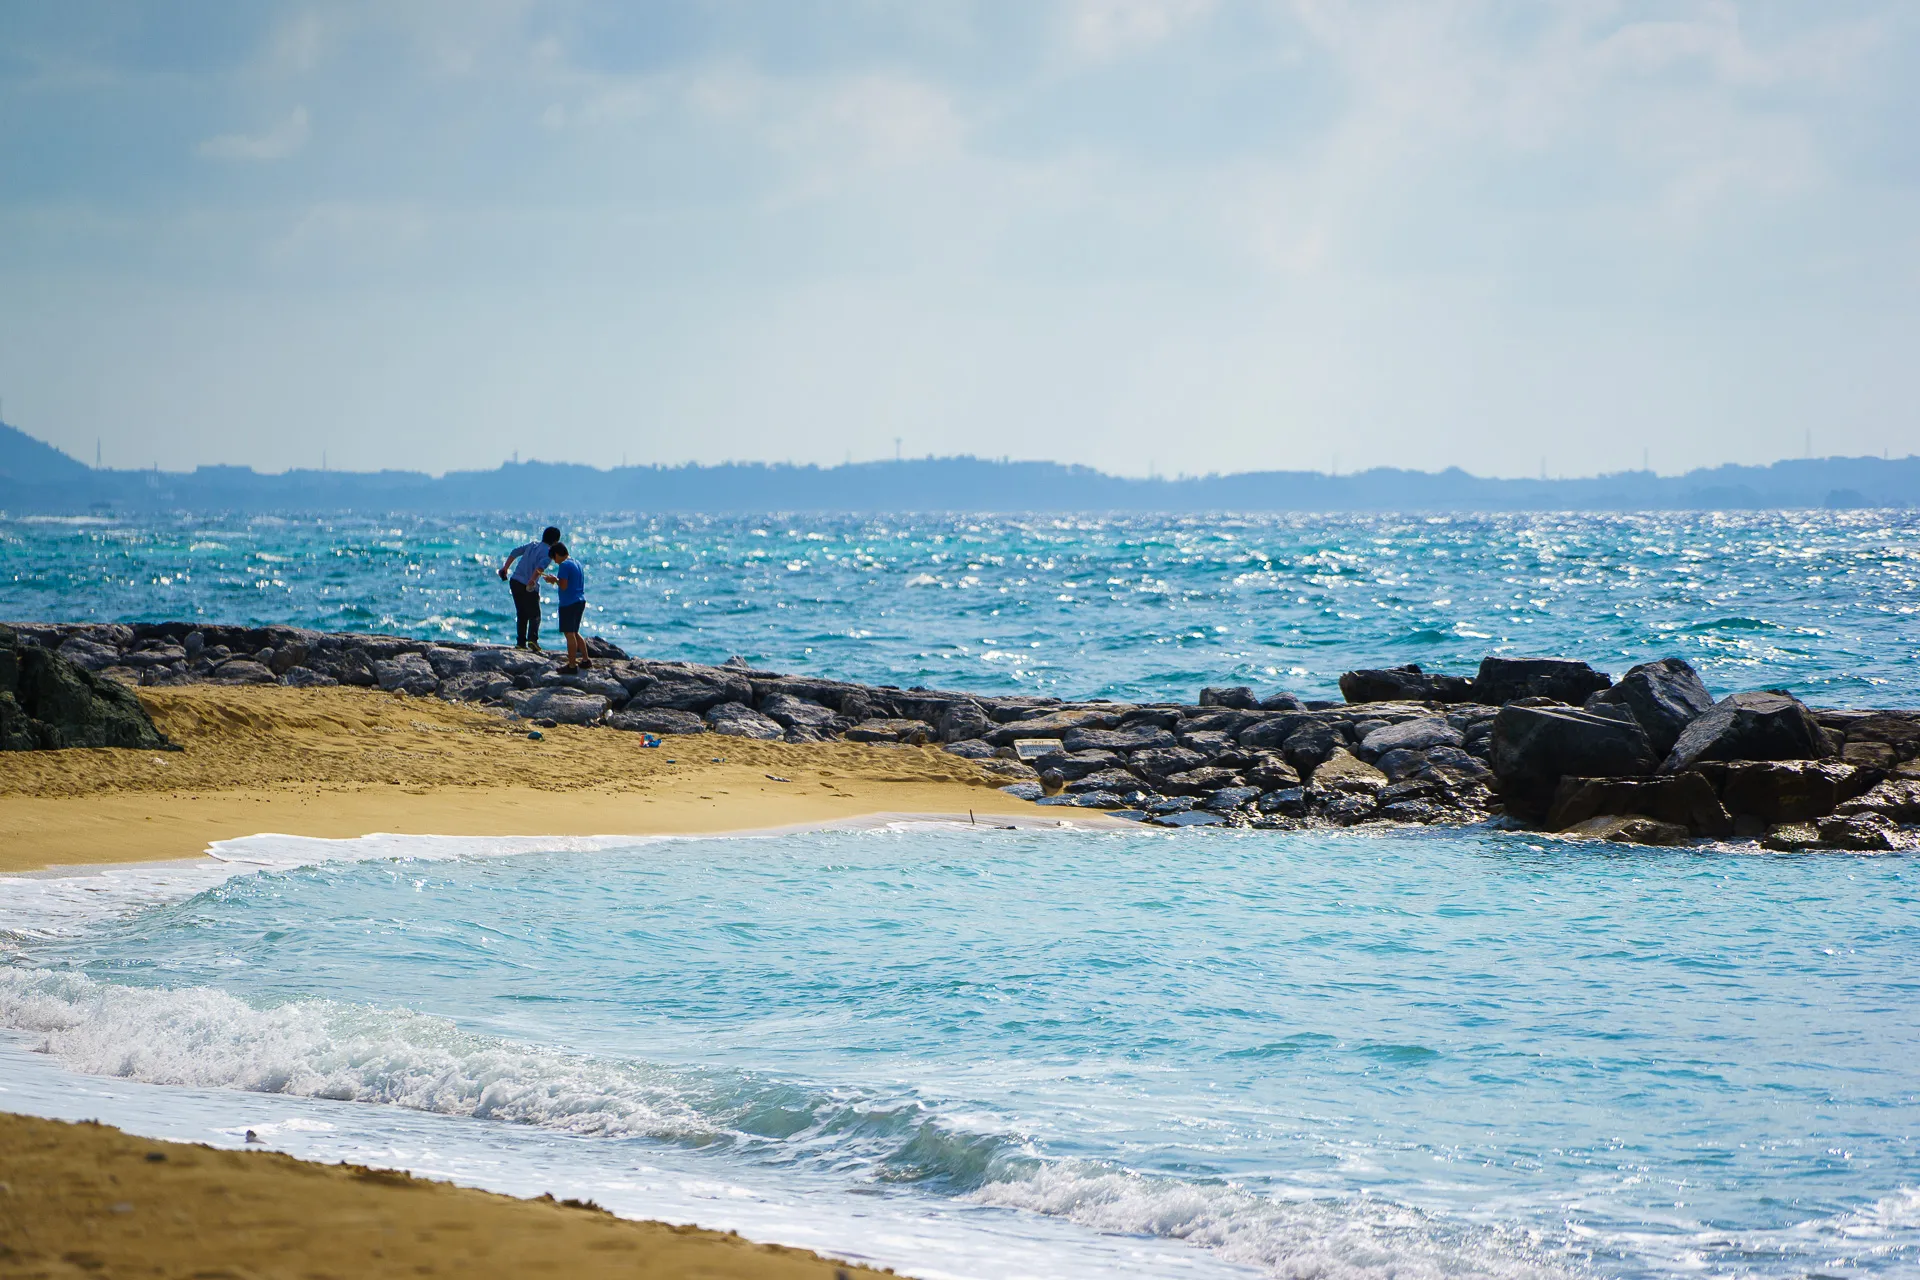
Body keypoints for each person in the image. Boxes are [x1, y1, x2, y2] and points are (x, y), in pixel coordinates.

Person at [499, 526, 561, 650]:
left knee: (521, 613)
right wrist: (532, 581)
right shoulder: (549, 553)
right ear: (555, 542)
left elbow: (515, 552)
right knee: (535, 615)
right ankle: (532, 640)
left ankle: (520, 643)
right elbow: (540, 567)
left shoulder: (532, 545)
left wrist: (505, 568)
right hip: (528, 584)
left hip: (515, 581)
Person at [543, 542, 590, 672]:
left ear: (557, 554)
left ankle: (572, 665)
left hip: (569, 602)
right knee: (574, 632)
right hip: (580, 600)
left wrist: (554, 580)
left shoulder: (564, 565)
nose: (555, 561)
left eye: (554, 558)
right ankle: (585, 660)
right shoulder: (577, 563)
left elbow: (563, 585)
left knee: (569, 634)